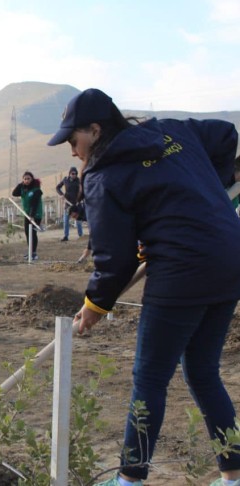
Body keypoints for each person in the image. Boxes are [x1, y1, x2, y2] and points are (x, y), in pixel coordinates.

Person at [48, 88, 240, 486]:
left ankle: (129, 480)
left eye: (73, 139)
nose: (71, 151)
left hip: (182, 271)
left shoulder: (102, 176)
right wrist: (212, 188)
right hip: (230, 259)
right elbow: (225, 135)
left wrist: (95, 306)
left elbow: (114, 259)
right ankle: (234, 475)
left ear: (95, 130)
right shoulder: (171, 131)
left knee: (150, 378)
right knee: (203, 372)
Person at [12, 171, 43, 260]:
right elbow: (14, 193)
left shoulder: (36, 190)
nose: (27, 180)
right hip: (26, 214)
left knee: (33, 233)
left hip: (36, 214)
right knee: (27, 233)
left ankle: (34, 253)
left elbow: (34, 203)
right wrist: (21, 184)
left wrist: (32, 215)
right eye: (25, 179)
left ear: (32, 179)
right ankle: (30, 251)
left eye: (28, 179)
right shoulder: (23, 189)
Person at [56, 167, 83, 241]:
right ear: (70, 173)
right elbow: (58, 187)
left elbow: (83, 190)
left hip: (77, 203)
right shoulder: (65, 180)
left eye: (75, 174)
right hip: (68, 203)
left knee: (78, 220)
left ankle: (81, 235)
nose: (74, 175)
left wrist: (80, 199)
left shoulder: (79, 181)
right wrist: (61, 194)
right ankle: (66, 236)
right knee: (66, 220)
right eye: (73, 173)